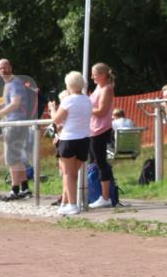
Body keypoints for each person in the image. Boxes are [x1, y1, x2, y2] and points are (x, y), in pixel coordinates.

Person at [0, 59, 31, 201]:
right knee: (16, 158)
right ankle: (25, 189)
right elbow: (10, 101)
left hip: (14, 124)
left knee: (11, 159)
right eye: (0, 68)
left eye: (5, 67)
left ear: (10, 67)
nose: (3, 70)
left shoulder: (14, 83)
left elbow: (15, 104)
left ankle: (14, 191)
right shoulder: (10, 84)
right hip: (17, 123)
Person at [48, 72, 92, 216]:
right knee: (73, 174)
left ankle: (72, 204)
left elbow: (56, 120)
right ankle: (66, 203)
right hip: (84, 139)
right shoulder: (87, 100)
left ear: (69, 85)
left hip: (69, 139)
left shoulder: (68, 100)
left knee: (67, 174)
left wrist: (52, 109)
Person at [88, 63, 116, 209]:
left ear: (103, 75)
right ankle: (96, 193)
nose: (92, 76)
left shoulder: (107, 89)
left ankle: (105, 197)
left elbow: (102, 111)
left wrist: (86, 108)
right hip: (93, 129)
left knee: (100, 162)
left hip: (101, 129)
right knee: (93, 162)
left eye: (95, 74)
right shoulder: (98, 88)